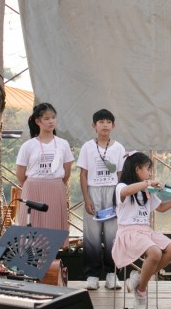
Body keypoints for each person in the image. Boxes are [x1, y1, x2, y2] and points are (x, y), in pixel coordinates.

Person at [111, 151, 171, 309]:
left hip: (146, 231)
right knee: (155, 253)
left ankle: (139, 278)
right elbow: (126, 192)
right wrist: (148, 183)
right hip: (128, 232)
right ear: (137, 169)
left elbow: (161, 208)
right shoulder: (121, 187)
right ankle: (141, 292)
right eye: (148, 169)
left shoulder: (147, 190)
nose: (150, 173)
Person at [77, 108, 126, 291]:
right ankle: (92, 275)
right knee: (92, 236)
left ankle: (112, 274)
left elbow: (120, 174)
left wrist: (118, 198)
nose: (105, 125)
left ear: (113, 125)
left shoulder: (119, 148)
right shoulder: (87, 147)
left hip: (112, 191)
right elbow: (83, 174)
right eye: (101, 122)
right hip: (93, 191)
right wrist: (86, 198)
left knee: (113, 235)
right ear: (94, 126)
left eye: (108, 122)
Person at [16, 103, 73, 243]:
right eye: (46, 118)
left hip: (56, 188)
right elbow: (20, 173)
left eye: (53, 117)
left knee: (53, 226)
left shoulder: (63, 144)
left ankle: (54, 256)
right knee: (31, 225)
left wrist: (54, 183)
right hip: (33, 189)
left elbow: (67, 171)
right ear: (38, 121)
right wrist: (33, 185)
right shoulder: (28, 145)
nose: (51, 121)